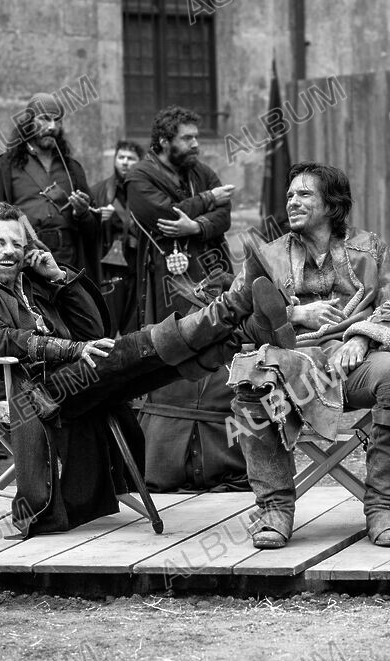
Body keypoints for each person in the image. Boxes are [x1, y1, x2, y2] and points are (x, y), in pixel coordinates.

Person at [0, 202, 284, 537]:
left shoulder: (33, 281)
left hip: (72, 377)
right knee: (137, 348)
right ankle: (232, 307)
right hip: (30, 390)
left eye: (17, 244)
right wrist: (70, 348)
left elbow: (92, 329)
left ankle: (245, 331)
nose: (9, 252)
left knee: (155, 368)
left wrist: (59, 278)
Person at [228, 162, 390, 549]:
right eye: (289, 195)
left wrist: (361, 338)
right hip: (290, 367)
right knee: (252, 381)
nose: (292, 202)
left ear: (332, 204)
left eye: (304, 194)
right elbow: (236, 323)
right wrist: (292, 314)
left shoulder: (372, 249)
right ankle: (274, 511)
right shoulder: (266, 257)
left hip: (356, 364)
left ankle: (384, 508)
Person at [126, 105, 247, 492]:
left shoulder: (198, 170)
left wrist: (197, 223)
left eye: (196, 136)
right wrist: (207, 198)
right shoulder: (139, 175)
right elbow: (158, 215)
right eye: (187, 138)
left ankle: (213, 442)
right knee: (173, 344)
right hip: (165, 274)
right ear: (164, 142)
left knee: (221, 339)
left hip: (211, 267)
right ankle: (171, 446)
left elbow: (225, 215)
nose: (195, 144)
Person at [0, 92, 100, 283]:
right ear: (28, 123)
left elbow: (93, 230)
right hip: (24, 263)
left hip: (68, 263)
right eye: (44, 119)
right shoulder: (1, 167)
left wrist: (83, 213)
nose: (52, 127)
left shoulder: (72, 169)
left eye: (57, 120)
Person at [91, 139, 145, 335]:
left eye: (130, 158)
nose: (124, 162)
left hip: (138, 267)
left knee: (134, 327)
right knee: (108, 325)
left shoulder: (146, 192)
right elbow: (85, 226)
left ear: (140, 162)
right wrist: (97, 218)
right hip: (108, 269)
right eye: (120, 157)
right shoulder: (99, 191)